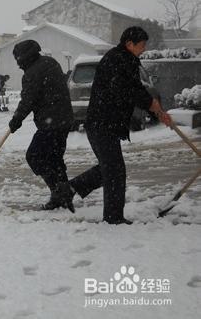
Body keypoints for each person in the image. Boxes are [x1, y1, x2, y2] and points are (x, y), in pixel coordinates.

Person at [63, 26, 172, 224]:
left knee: (110, 168)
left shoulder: (125, 59)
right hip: (101, 123)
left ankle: (68, 190)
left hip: (105, 123)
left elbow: (136, 88)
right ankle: (113, 217)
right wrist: (150, 104)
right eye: (141, 45)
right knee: (114, 170)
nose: (144, 49)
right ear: (129, 44)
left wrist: (156, 111)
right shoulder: (117, 60)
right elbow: (126, 90)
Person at [8, 40, 75, 212]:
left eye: (17, 59)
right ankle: (63, 194)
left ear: (24, 57)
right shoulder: (49, 62)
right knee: (54, 158)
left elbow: (28, 99)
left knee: (34, 156)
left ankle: (59, 192)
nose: (17, 63)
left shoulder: (33, 72)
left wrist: (16, 119)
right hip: (63, 119)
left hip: (51, 122)